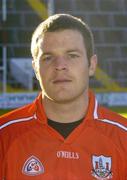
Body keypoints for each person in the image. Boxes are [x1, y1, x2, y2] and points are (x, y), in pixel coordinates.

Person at [0, 13, 127, 180]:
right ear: (35, 69)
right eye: (48, 57)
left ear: (92, 65)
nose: (60, 66)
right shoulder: (4, 137)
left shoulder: (123, 138)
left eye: (72, 55)